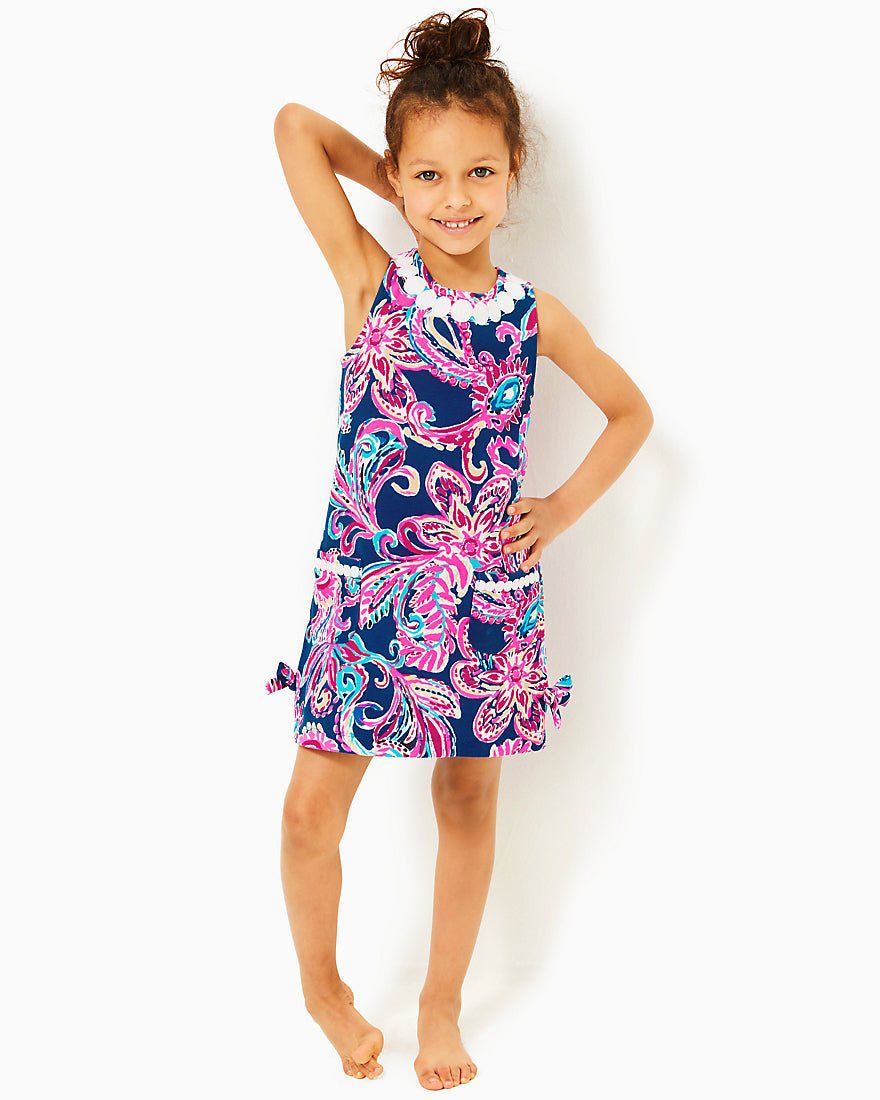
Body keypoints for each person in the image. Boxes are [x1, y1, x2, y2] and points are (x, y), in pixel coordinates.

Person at [264, 7, 653, 1089]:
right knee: (308, 812)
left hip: (484, 600)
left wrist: (558, 510)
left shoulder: (535, 316)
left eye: (480, 172)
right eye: (429, 176)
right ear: (398, 178)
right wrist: (393, 186)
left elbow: (631, 413)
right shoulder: (371, 282)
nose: (455, 198)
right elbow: (294, 126)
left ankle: (440, 1004)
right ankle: (322, 987)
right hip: (363, 601)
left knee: (468, 798)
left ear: (514, 171)